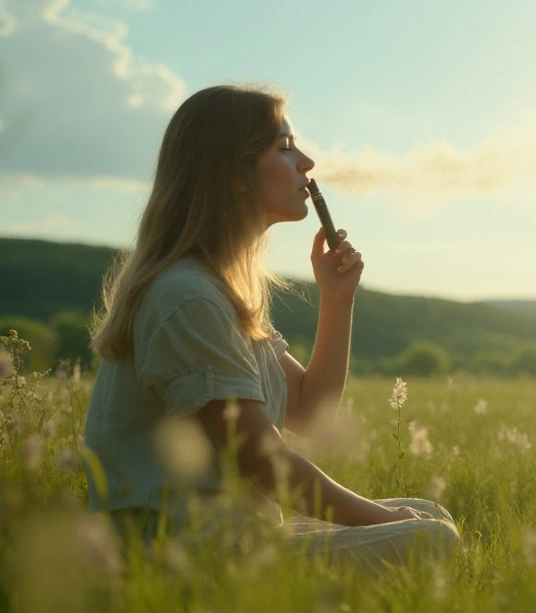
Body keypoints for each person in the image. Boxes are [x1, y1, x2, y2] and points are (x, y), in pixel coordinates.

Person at [82, 84, 459, 568]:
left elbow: (307, 409)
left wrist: (337, 299)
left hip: (234, 537)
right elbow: (261, 461)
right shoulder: (189, 296)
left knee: (431, 514)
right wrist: (381, 522)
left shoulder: (218, 292)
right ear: (234, 173)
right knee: (430, 539)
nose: (306, 162)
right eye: (284, 148)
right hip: (182, 559)